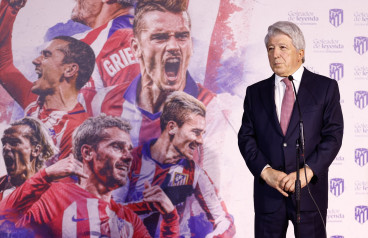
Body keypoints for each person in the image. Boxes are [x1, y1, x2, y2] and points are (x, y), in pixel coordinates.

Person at [88, 0, 241, 191]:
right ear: (136, 48)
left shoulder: (214, 112)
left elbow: (214, 195)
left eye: (182, 36)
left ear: (191, 45)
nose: (173, 46)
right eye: (160, 37)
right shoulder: (101, 103)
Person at [238, 21, 344, 238]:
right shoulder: (254, 93)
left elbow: (333, 136)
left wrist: (308, 171)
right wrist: (266, 172)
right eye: (270, 48)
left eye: (282, 47)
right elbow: (246, 137)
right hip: (269, 195)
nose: (275, 54)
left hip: (309, 194)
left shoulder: (324, 88)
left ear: (300, 53)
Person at [0, 115, 179, 237]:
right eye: (117, 147)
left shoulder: (128, 219)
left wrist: (170, 218)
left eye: (129, 150)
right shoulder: (52, 196)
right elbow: (4, 217)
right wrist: (45, 175)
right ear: (87, 153)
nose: (128, 156)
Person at [113, 91, 235, 238]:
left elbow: (225, 221)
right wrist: (149, 206)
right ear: (172, 128)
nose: (201, 141)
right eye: (196, 132)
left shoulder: (194, 172)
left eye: (202, 134)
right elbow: (109, 214)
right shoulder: (129, 161)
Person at [0, 0, 95, 161]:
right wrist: (10, 8)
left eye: (46, 55)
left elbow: (65, 185)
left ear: (70, 70)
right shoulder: (35, 102)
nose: (36, 60)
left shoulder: (78, 131)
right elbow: (3, 64)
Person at [0, 117, 56, 201]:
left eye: (13, 143)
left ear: (36, 150)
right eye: (4, 143)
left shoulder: (53, 192)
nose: (6, 148)